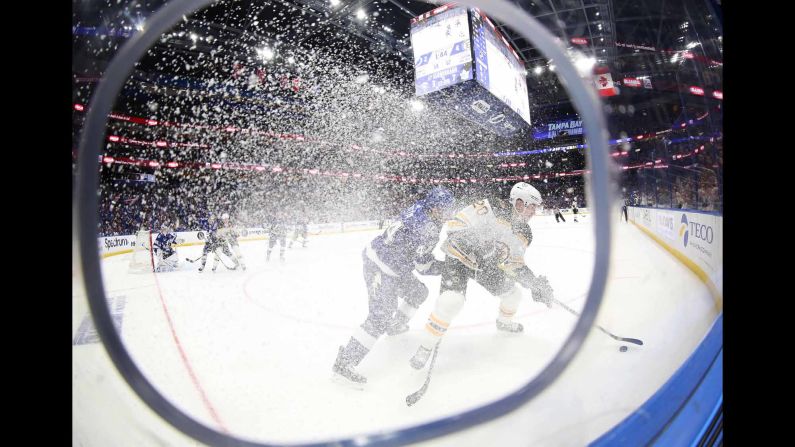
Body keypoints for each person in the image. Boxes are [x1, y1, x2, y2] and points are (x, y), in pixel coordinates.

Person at [408, 182, 555, 370]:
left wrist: (534, 284)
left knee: (513, 295)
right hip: (459, 256)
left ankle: (504, 323)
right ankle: (425, 347)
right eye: (532, 206)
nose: (534, 212)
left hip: (486, 267)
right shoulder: (491, 206)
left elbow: (513, 263)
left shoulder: (525, 232)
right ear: (520, 203)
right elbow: (455, 224)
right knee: (451, 302)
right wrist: (476, 244)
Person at [332, 187, 457, 384]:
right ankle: (345, 361)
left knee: (418, 292)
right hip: (380, 266)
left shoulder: (421, 209)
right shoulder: (428, 227)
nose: (448, 214)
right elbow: (423, 267)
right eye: (445, 209)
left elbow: (413, 249)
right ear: (434, 208)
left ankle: (396, 325)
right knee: (380, 316)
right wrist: (449, 266)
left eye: (451, 209)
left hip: (395, 266)